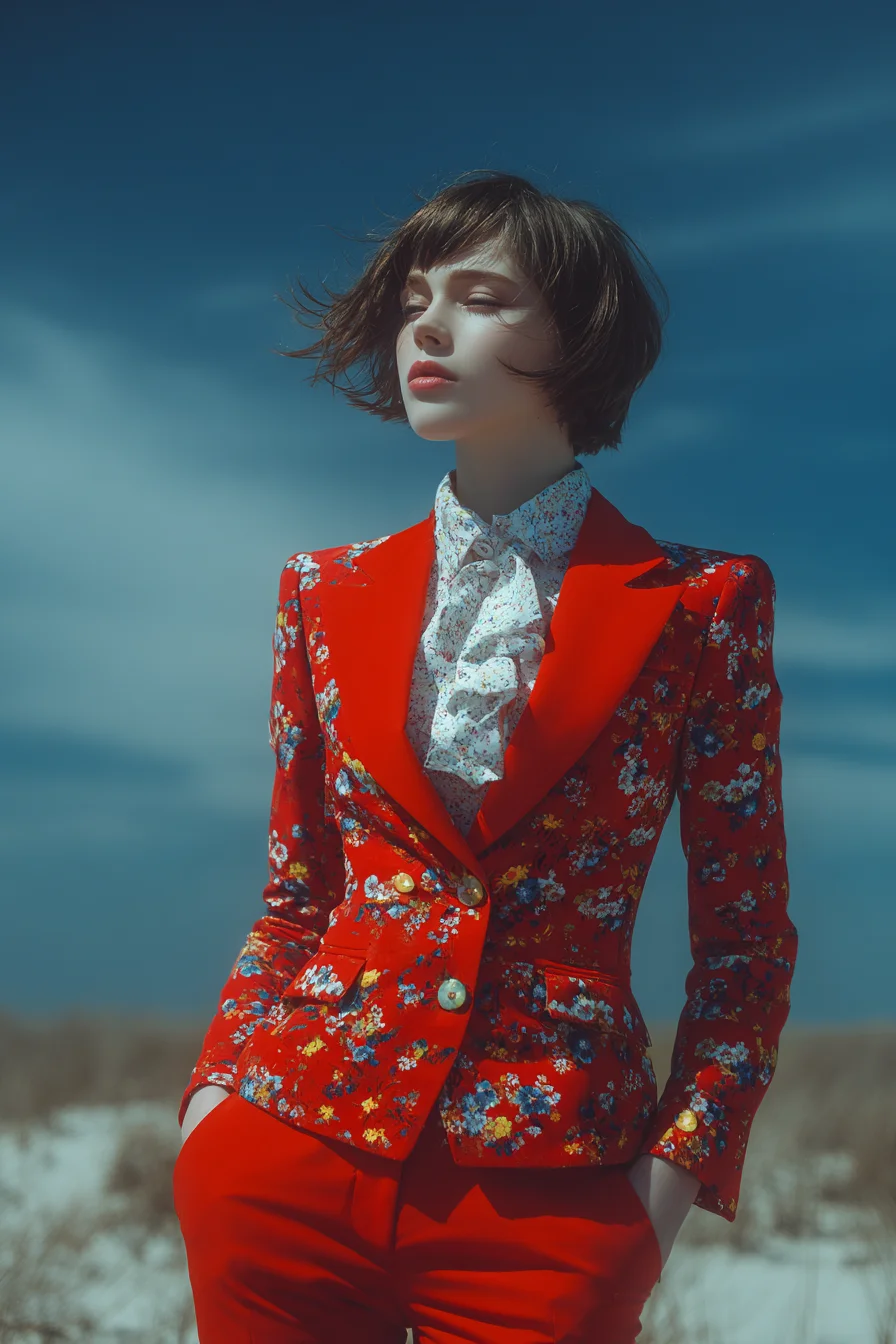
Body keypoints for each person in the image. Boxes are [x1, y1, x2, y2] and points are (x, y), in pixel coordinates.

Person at [173, 170, 798, 1343]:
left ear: (581, 332)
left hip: (554, 1199)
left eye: (480, 294)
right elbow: (300, 890)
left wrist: (669, 1185)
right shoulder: (318, 591)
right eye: (416, 298)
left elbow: (744, 938)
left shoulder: (701, 605)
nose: (428, 323)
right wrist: (215, 1100)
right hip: (283, 1160)